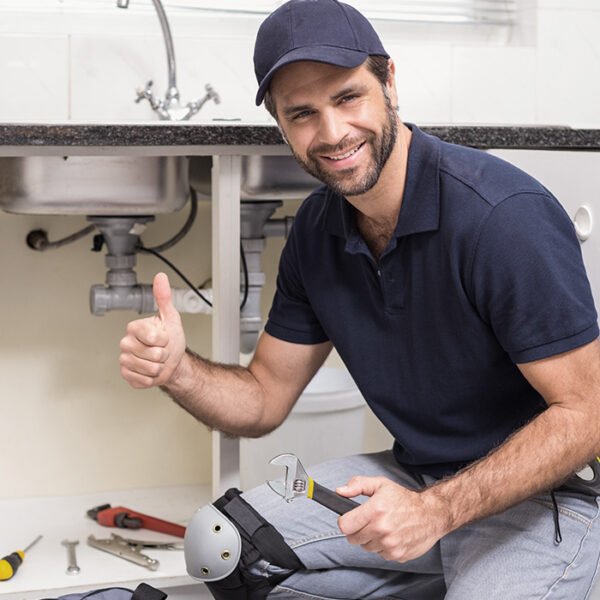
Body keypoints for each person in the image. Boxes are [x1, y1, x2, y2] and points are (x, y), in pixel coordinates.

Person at [119, 0, 600, 598]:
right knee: (221, 544)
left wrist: (436, 511)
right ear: (280, 123)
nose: (332, 133)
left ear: (389, 82)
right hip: (416, 479)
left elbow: (588, 413)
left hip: (540, 498)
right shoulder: (316, 232)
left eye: (348, 97)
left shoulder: (501, 218)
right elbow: (264, 398)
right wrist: (178, 370)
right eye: (302, 114)